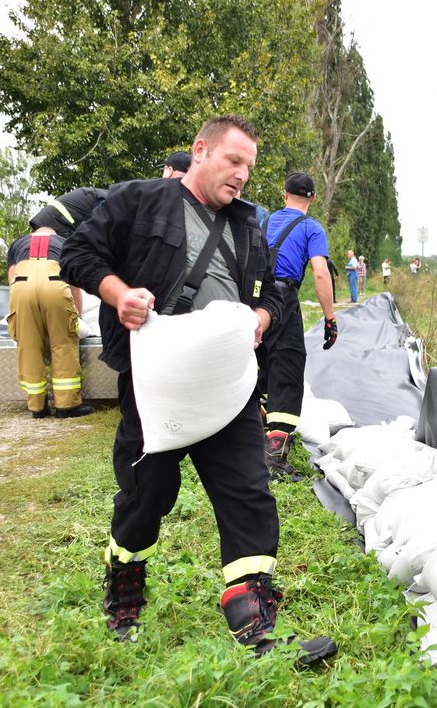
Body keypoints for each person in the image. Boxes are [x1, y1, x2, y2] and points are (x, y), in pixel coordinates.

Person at [60, 114, 336, 664]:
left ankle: (255, 625)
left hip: (229, 386)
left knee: (248, 493)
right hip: (157, 385)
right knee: (147, 498)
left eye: (249, 168)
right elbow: (78, 256)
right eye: (233, 161)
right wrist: (119, 295)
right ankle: (124, 593)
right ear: (201, 150)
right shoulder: (137, 201)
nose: (241, 175)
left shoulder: (249, 226)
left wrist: (260, 316)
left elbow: (275, 289)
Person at [259, 172, 337, 482]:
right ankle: (274, 458)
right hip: (283, 299)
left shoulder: (262, 221)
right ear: (313, 199)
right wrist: (329, 319)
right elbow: (320, 273)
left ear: (284, 194)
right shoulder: (311, 228)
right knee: (287, 370)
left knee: (256, 370)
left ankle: (249, 440)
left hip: (253, 300)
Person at [7, 187, 106, 418]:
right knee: (63, 344)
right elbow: (74, 285)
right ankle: (66, 406)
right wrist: (76, 316)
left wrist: (20, 310)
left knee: (29, 346)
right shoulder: (63, 243)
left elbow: (12, 276)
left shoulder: (18, 244)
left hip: (21, 287)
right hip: (55, 284)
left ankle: (37, 407)